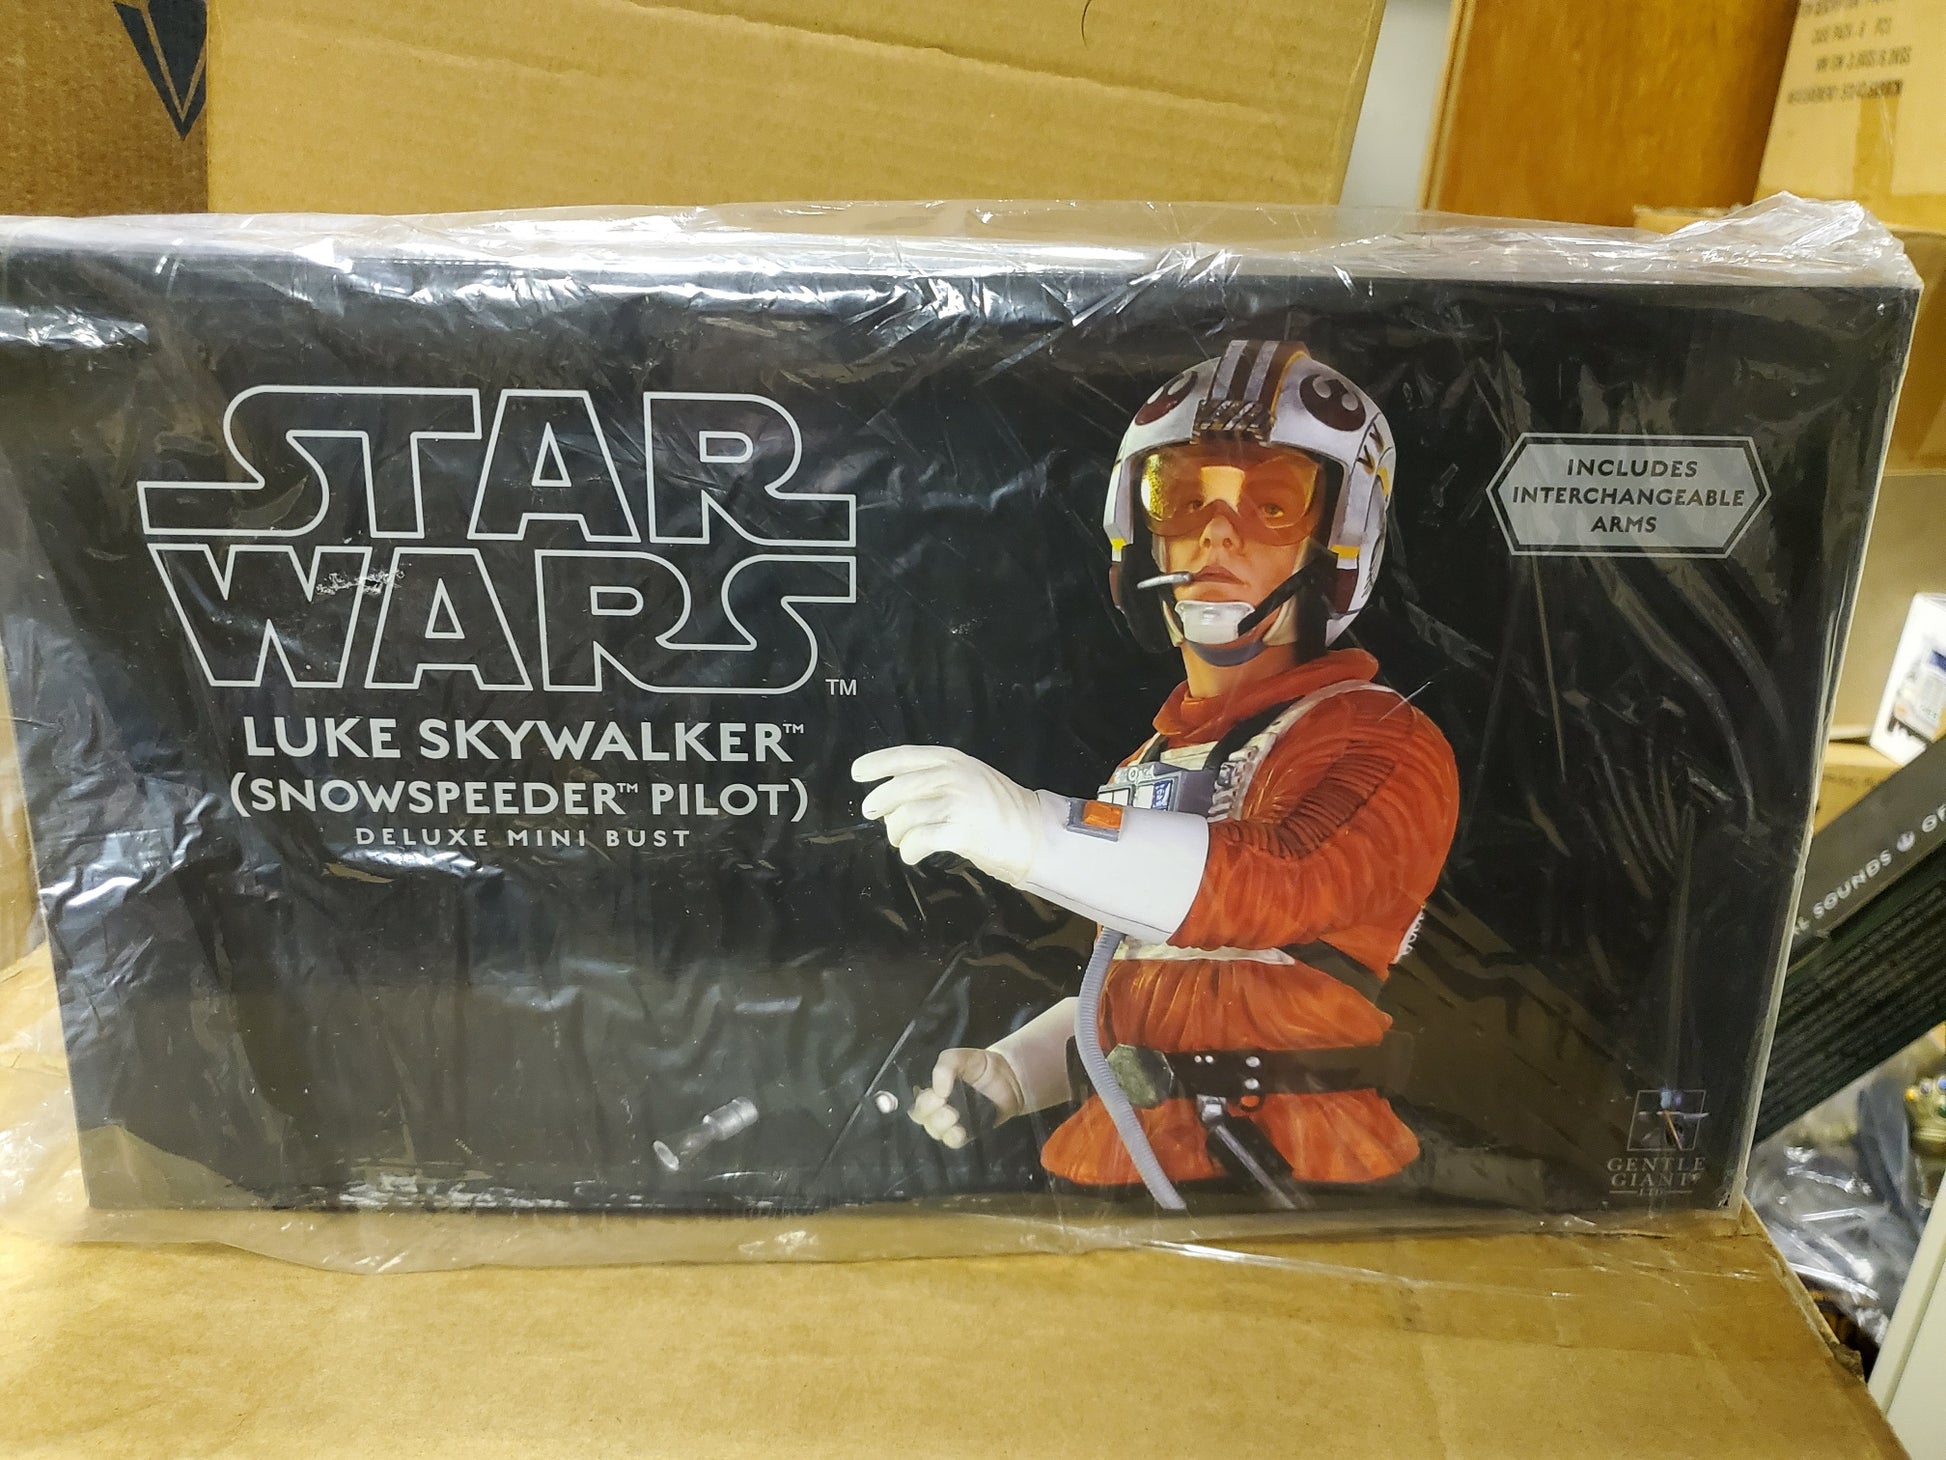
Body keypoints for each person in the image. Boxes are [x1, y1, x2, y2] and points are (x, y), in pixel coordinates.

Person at [852, 340, 1459, 1196]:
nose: (1217, 532)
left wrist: (1034, 830)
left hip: (1292, 1168)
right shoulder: (1153, 758)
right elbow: (1152, 978)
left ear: (1341, 539)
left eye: (1273, 504)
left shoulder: (1381, 739)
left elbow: (1278, 885)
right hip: (1124, 1157)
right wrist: (1018, 1072)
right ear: (1139, 530)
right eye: (1181, 497)